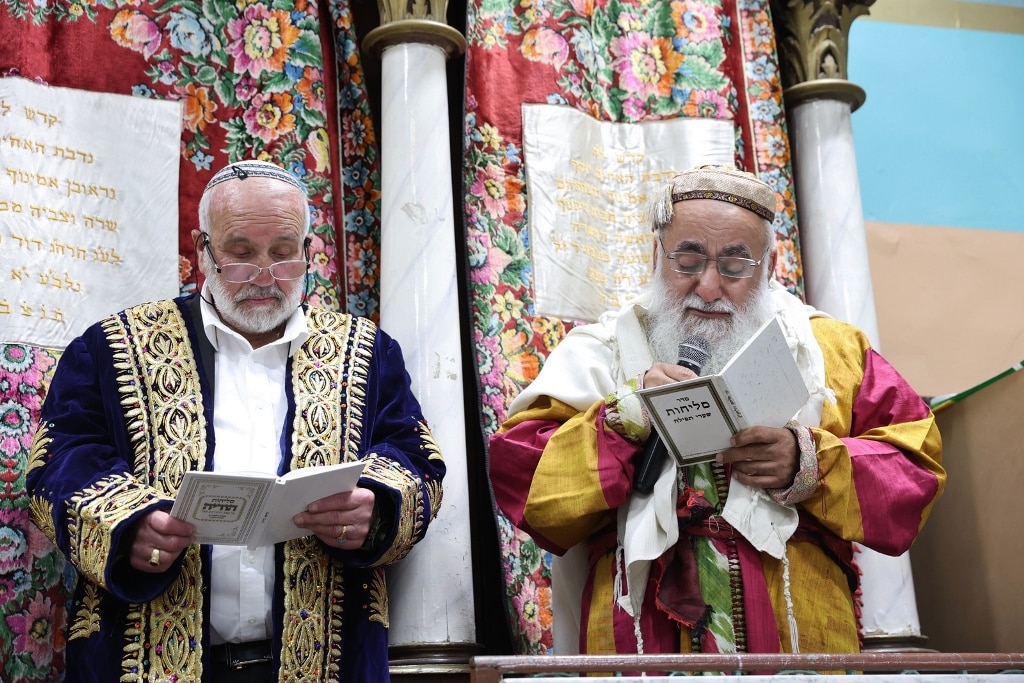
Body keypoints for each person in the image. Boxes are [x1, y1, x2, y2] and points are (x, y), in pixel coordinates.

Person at [488, 164, 944, 655]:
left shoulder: (830, 351)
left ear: (769, 267)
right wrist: (624, 417)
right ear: (655, 255)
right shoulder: (600, 352)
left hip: (801, 637)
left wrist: (809, 461)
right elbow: (520, 478)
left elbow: (915, 469)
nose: (708, 286)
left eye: (734, 266)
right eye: (687, 261)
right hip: (640, 643)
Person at [27, 160, 445, 682]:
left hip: (328, 662)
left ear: (309, 252)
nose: (265, 275)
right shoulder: (110, 347)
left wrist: (377, 509)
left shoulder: (368, 352)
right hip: (142, 656)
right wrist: (126, 525)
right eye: (242, 253)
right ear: (203, 250)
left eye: (284, 253)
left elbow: (418, 459)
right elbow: (57, 459)